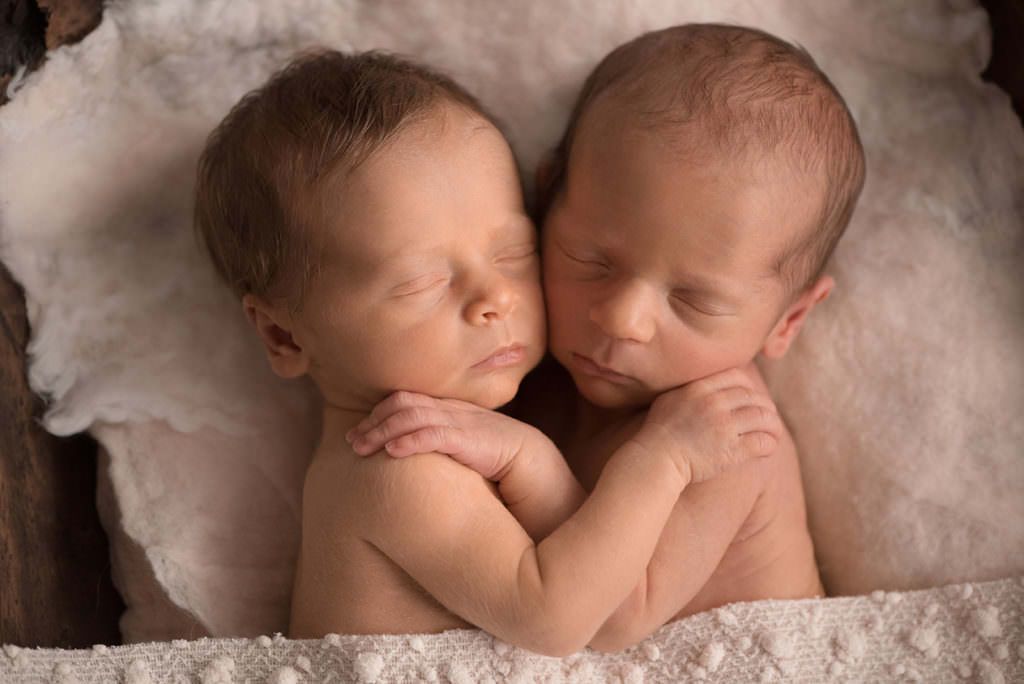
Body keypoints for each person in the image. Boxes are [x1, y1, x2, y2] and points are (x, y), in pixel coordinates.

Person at [193, 48, 781, 655]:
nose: (496, 297)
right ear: (283, 335)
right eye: (422, 282)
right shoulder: (396, 469)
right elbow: (557, 619)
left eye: (513, 255)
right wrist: (660, 462)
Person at [349, 23, 866, 651]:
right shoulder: (531, 373)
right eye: (591, 260)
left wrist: (556, 461)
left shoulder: (727, 434)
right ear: (545, 202)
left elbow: (613, 618)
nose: (622, 319)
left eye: (694, 300)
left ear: (787, 320)